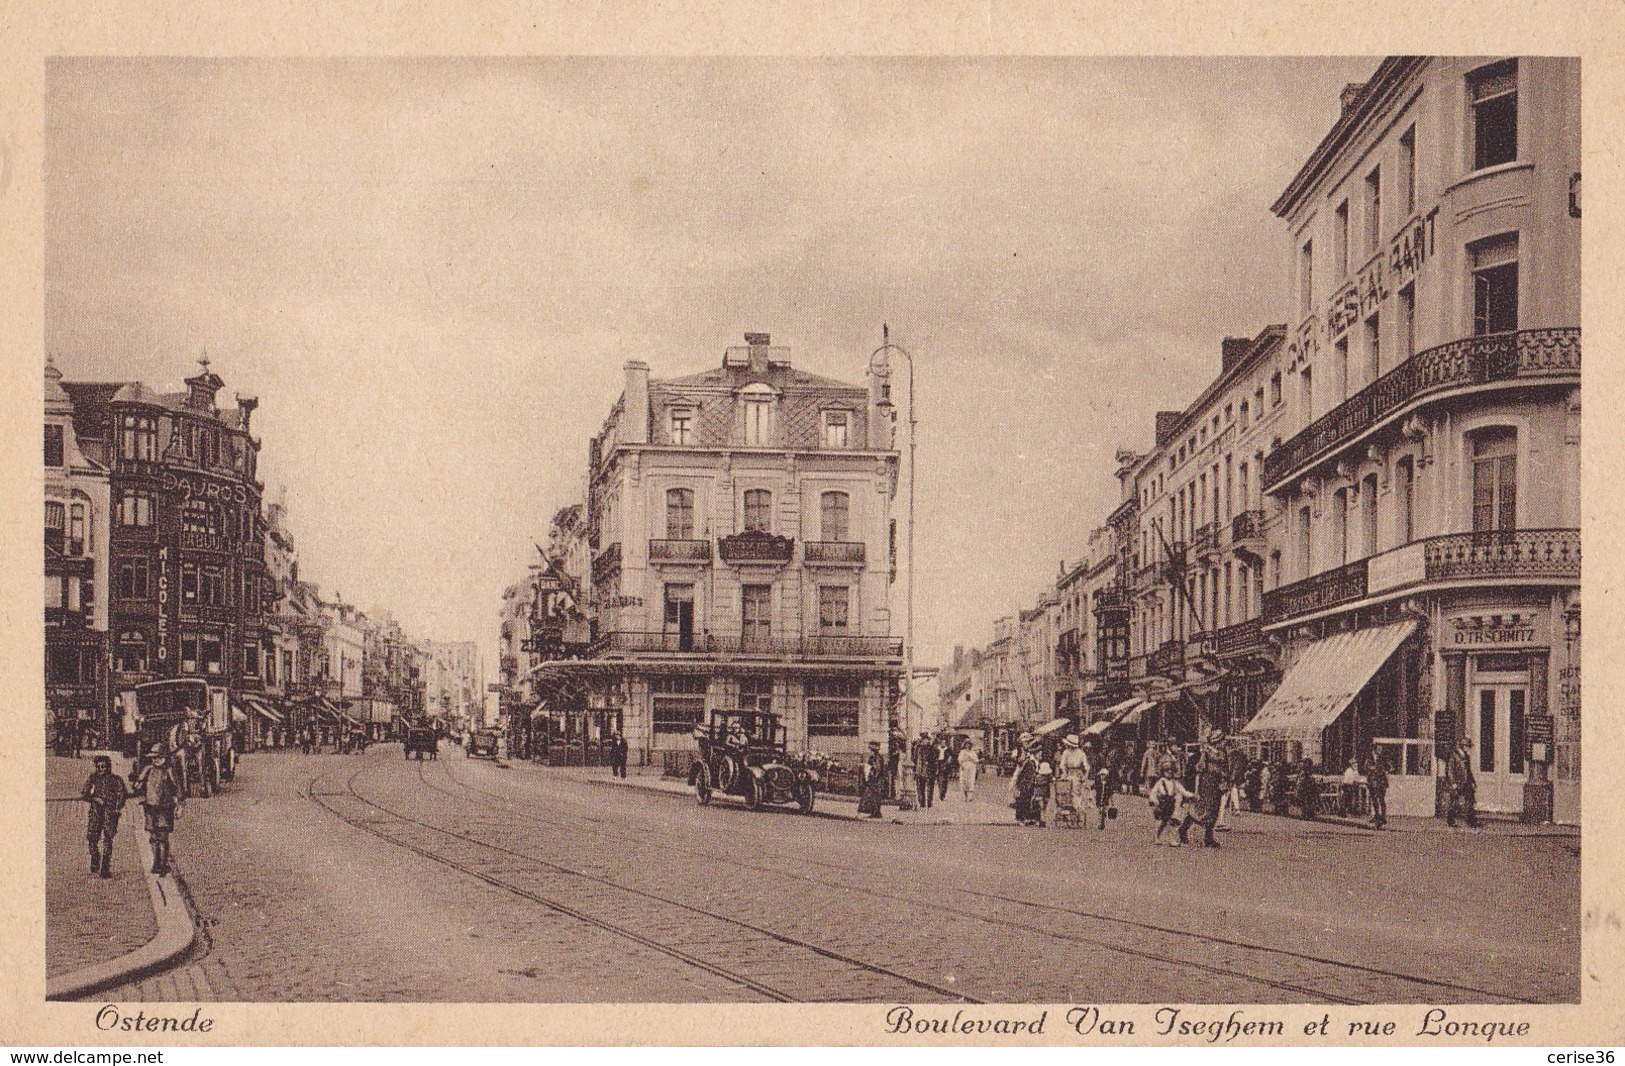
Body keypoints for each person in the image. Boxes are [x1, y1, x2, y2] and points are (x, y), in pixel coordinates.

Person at [130, 746, 183, 875]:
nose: (156, 760)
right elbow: (138, 784)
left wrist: (179, 805)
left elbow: (178, 789)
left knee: (163, 836)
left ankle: (164, 863)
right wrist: (137, 784)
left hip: (165, 808)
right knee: (153, 837)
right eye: (154, 758)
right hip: (150, 807)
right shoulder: (148, 770)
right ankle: (156, 862)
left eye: (159, 757)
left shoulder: (169, 771)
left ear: (165, 758)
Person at [81, 755, 128, 878]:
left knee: (108, 839)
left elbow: (122, 794)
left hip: (110, 812)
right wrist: (95, 799)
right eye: (98, 766)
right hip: (96, 811)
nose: (101, 769)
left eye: (103, 766)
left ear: (108, 767)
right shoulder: (93, 778)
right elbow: (84, 794)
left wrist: (117, 808)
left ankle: (105, 868)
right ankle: (95, 857)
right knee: (92, 838)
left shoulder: (116, 779)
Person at [1179, 730, 1226, 847]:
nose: (1224, 742)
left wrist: (1223, 779)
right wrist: (1196, 790)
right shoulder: (1206, 752)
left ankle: (1208, 837)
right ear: (1217, 741)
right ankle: (1183, 829)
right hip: (1206, 784)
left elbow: (1223, 768)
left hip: (1216, 784)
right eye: (1222, 740)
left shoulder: (1222, 752)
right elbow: (1199, 771)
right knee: (1200, 810)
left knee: (1213, 810)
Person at [1147, 768, 1194, 846]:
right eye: (1167, 772)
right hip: (1162, 803)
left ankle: (1171, 839)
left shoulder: (1175, 783)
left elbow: (1183, 791)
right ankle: (1156, 837)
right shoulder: (1161, 782)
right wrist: (1154, 800)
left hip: (1171, 804)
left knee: (1173, 822)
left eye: (1171, 772)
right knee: (1162, 822)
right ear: (1164, 773)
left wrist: (1192, 795)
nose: (1169, 774)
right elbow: (1153, 792)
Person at [1445, 736, 1478, 828]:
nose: (1468, 748)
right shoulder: (1454, 756)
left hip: (1466, 781)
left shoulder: (1466, 756)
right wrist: (1453, 783)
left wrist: (1472, 782)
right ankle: (1450, 820)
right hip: (1457, 782)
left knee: (1470, 801)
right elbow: (1450, 771)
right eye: (1467, 746)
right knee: (1454, 802)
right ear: (1462, 746)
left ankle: (1471, 821)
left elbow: (1468, 770)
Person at [1217, 740, 1248, 831]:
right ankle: (1221, 821)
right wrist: (1232, 778)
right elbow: (1234, 769)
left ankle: (1221, 820)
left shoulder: (1229, 755)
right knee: (1224, 800)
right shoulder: (1234, 755)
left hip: (1225, 779)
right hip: (1227, 780)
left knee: (1223, 800)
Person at [858, 740, 887, 818]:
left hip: (876, 779)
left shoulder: (876, 757)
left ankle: (874, 812)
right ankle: (875, 812)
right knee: (875, 796)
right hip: (877, 779)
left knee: (872, 795)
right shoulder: (878, 756)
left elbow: (876, 768)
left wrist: (872, 776)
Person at [912, 732, 937, 809]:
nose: (924, 741)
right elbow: (914, 758)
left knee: (930, 787)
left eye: (926, 739)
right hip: (919, 769)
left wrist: (930, 764)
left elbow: (934, 759)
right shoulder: (918, 748)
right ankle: (921, 802)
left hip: (929, 770)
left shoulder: (931, 748)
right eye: (923, 739)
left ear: (928, 740)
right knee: (920, 786)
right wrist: (914, 769)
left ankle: (929, 802)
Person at [1364, 753, 1389, 829]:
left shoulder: (1383, 758)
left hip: (1381, 783)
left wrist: (1383, 770)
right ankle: (1377, 816)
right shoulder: (1369, 759)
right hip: (1373, 783)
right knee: (1375, 800)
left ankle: (1383, 817)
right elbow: (1367, 767)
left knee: (1381, 800)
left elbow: (1389, 767)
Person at [1295, 756, 1319, 821]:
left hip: (1306, 786)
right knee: (1306, 800)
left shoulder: (1303, 770)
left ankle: (1307, 813)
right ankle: (1307, 813)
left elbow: (1300, 779)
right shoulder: (1304, 771)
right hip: (1305, 786)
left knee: (1307, 800)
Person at [934, 733, 954, 802]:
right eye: (942, 742)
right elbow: (933, 756)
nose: (943, 744)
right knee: (939, 780)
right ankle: (940, 793)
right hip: (938, 765)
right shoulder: (936, 749)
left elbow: (952, 756)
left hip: (945, 765)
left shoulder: (948, 749)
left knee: (944, 781)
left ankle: (943, 793)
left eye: (944, 743)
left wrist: (950, 759)